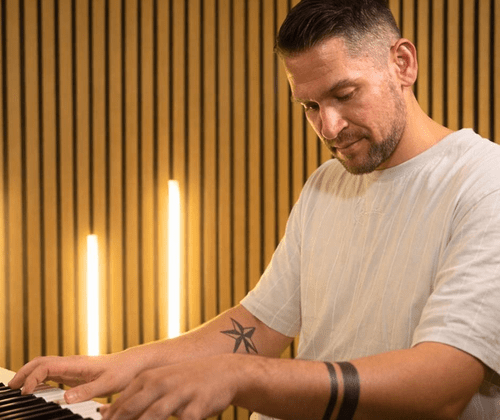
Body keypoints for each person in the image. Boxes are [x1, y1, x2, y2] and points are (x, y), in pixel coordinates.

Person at [9, 0, 500, 418]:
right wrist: (117, 365)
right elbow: (259, 328)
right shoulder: (326, 184)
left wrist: (242, 375)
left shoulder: (484, 184)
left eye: (344, 95)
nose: (328, 127)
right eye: (309, 107)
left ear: (403, 63)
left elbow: (442, 385)